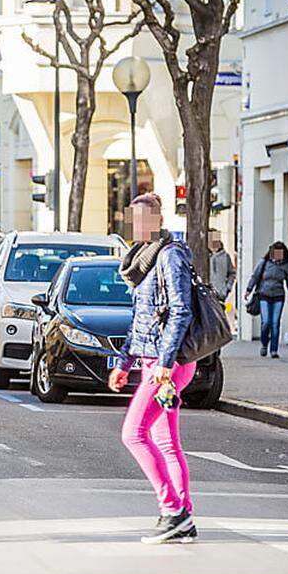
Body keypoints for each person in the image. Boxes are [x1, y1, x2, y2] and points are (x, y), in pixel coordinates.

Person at [108, 193, 199, 545]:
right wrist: (124, 363)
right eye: (133, 220)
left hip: (168, 366)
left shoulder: (170, 255)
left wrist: (164, 363)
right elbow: (142, 321)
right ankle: (184, 517)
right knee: (166, 441)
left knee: (133, 434)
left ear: (158, 221)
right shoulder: (144, 260)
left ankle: (172, 510)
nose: (137, 227)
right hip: (153, 361)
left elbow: (180, 311)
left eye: (144, 220)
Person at [244, 241, 288, 358]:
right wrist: (248, 290)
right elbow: (255, 276)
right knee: (266, 322)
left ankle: (274, 350)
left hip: (278, 296)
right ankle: (264, 344)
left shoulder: (285, 266)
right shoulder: (264, 263)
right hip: (264, 295)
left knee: (275, 323)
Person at [208, 236, 236, 303]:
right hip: (205, 295)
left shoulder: (225, 257)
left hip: (220, 295)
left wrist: (227, 288)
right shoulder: (204, 256)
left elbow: (232, 273)